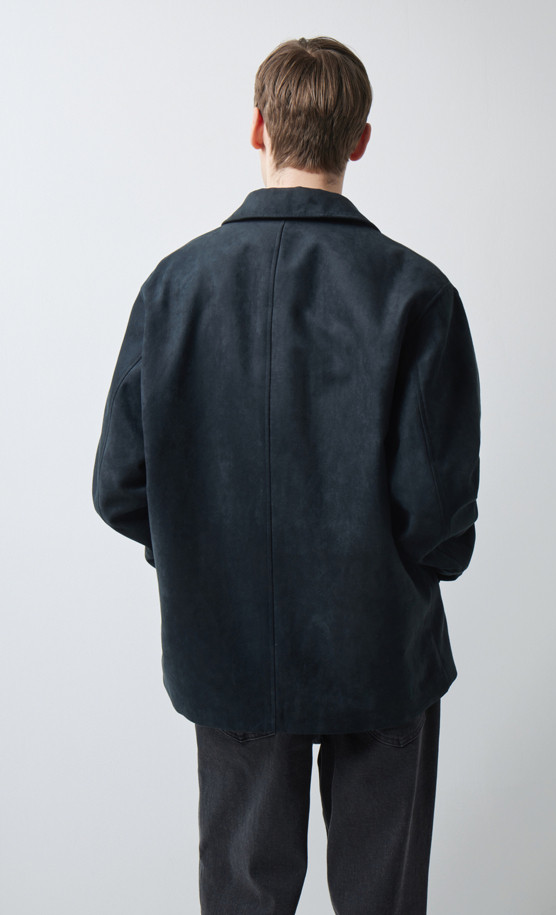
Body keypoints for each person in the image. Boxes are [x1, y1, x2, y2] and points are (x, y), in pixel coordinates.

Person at [92, 35, 481, 915]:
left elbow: (119, 485)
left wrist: (205, 555)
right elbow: (438, 516)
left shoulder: (174, 288)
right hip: (383, 646)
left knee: (243, 899)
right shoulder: (418, 294)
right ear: (360, 140)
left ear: (258, 126)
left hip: (227, 644)